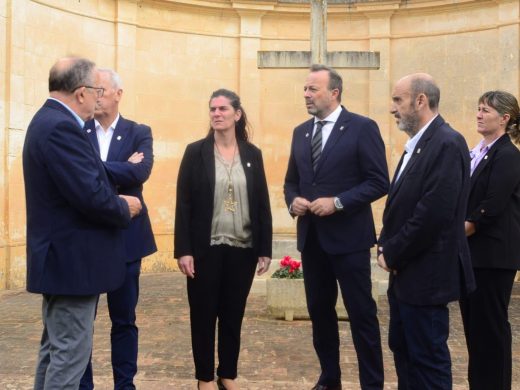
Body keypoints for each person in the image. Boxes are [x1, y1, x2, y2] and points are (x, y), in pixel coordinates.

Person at [22, 57, 142, 390]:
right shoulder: (61, 127)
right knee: (70, 356)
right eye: (96, 90)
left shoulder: (48, 121)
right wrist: (124, 207)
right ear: (80, 93)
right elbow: (90, 194)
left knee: (54, 352)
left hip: (63, 264)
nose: (98, 97)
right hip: (71, 264)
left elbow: (88, 179)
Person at [284, 64, 388, 390]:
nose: (306, 94)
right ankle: (330, 378)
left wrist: (337, 202)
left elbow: (378, 181)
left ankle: (372, 383)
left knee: (361, 314)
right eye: (305, 89)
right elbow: (291, 182)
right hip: (312, 241)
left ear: (334, 92)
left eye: (313, 89)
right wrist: (294, 201)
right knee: (319, 313)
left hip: (350, 241)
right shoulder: (300, 131)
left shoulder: (362, 127)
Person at [377, 73, 475, 389]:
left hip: (426, 276)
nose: (393, 108)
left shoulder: (447, 142)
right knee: (405, 353)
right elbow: (402, 206)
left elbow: (432, 214)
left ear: (421, 100)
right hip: (406, 277)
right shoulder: (417, 145)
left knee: (427, 362)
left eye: (398, 100)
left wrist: (391, 252)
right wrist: (385, 244)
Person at [174, 89, 272, 390]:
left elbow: (261, 203)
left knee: (233, 316)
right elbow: (184, 204)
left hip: (241, 249)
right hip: (206, 249)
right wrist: (184, 250)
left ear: (237, 114)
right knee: (203, 316)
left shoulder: (252, 154)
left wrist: (264, 249)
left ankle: (227, 373)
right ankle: (204, 377)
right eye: (212, 109)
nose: (216, 114)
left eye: (223, 109)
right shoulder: (195, 152)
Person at [79, 69, 157, 390]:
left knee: (124, 321)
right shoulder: (78, 130)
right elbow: (74, 176)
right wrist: (117, 170)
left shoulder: (139, 131)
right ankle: (83, 386)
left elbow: (141, 172)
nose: (95, 96)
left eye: (99, 90)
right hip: (84, 242)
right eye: (90, 90)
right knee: (82, 323)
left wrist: (93, 168)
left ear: (117, 94)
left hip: (126, 241)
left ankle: (125, 385)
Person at [459, 90, 520, 390]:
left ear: (505, 118)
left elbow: (492, 206)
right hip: (473, 255)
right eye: (478, 108)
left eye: (486, 110)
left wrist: (457, 233)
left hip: (493, 257)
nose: (479, 114)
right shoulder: (479, 150)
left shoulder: (508, 155)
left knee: (491, 330)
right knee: (474, 329)